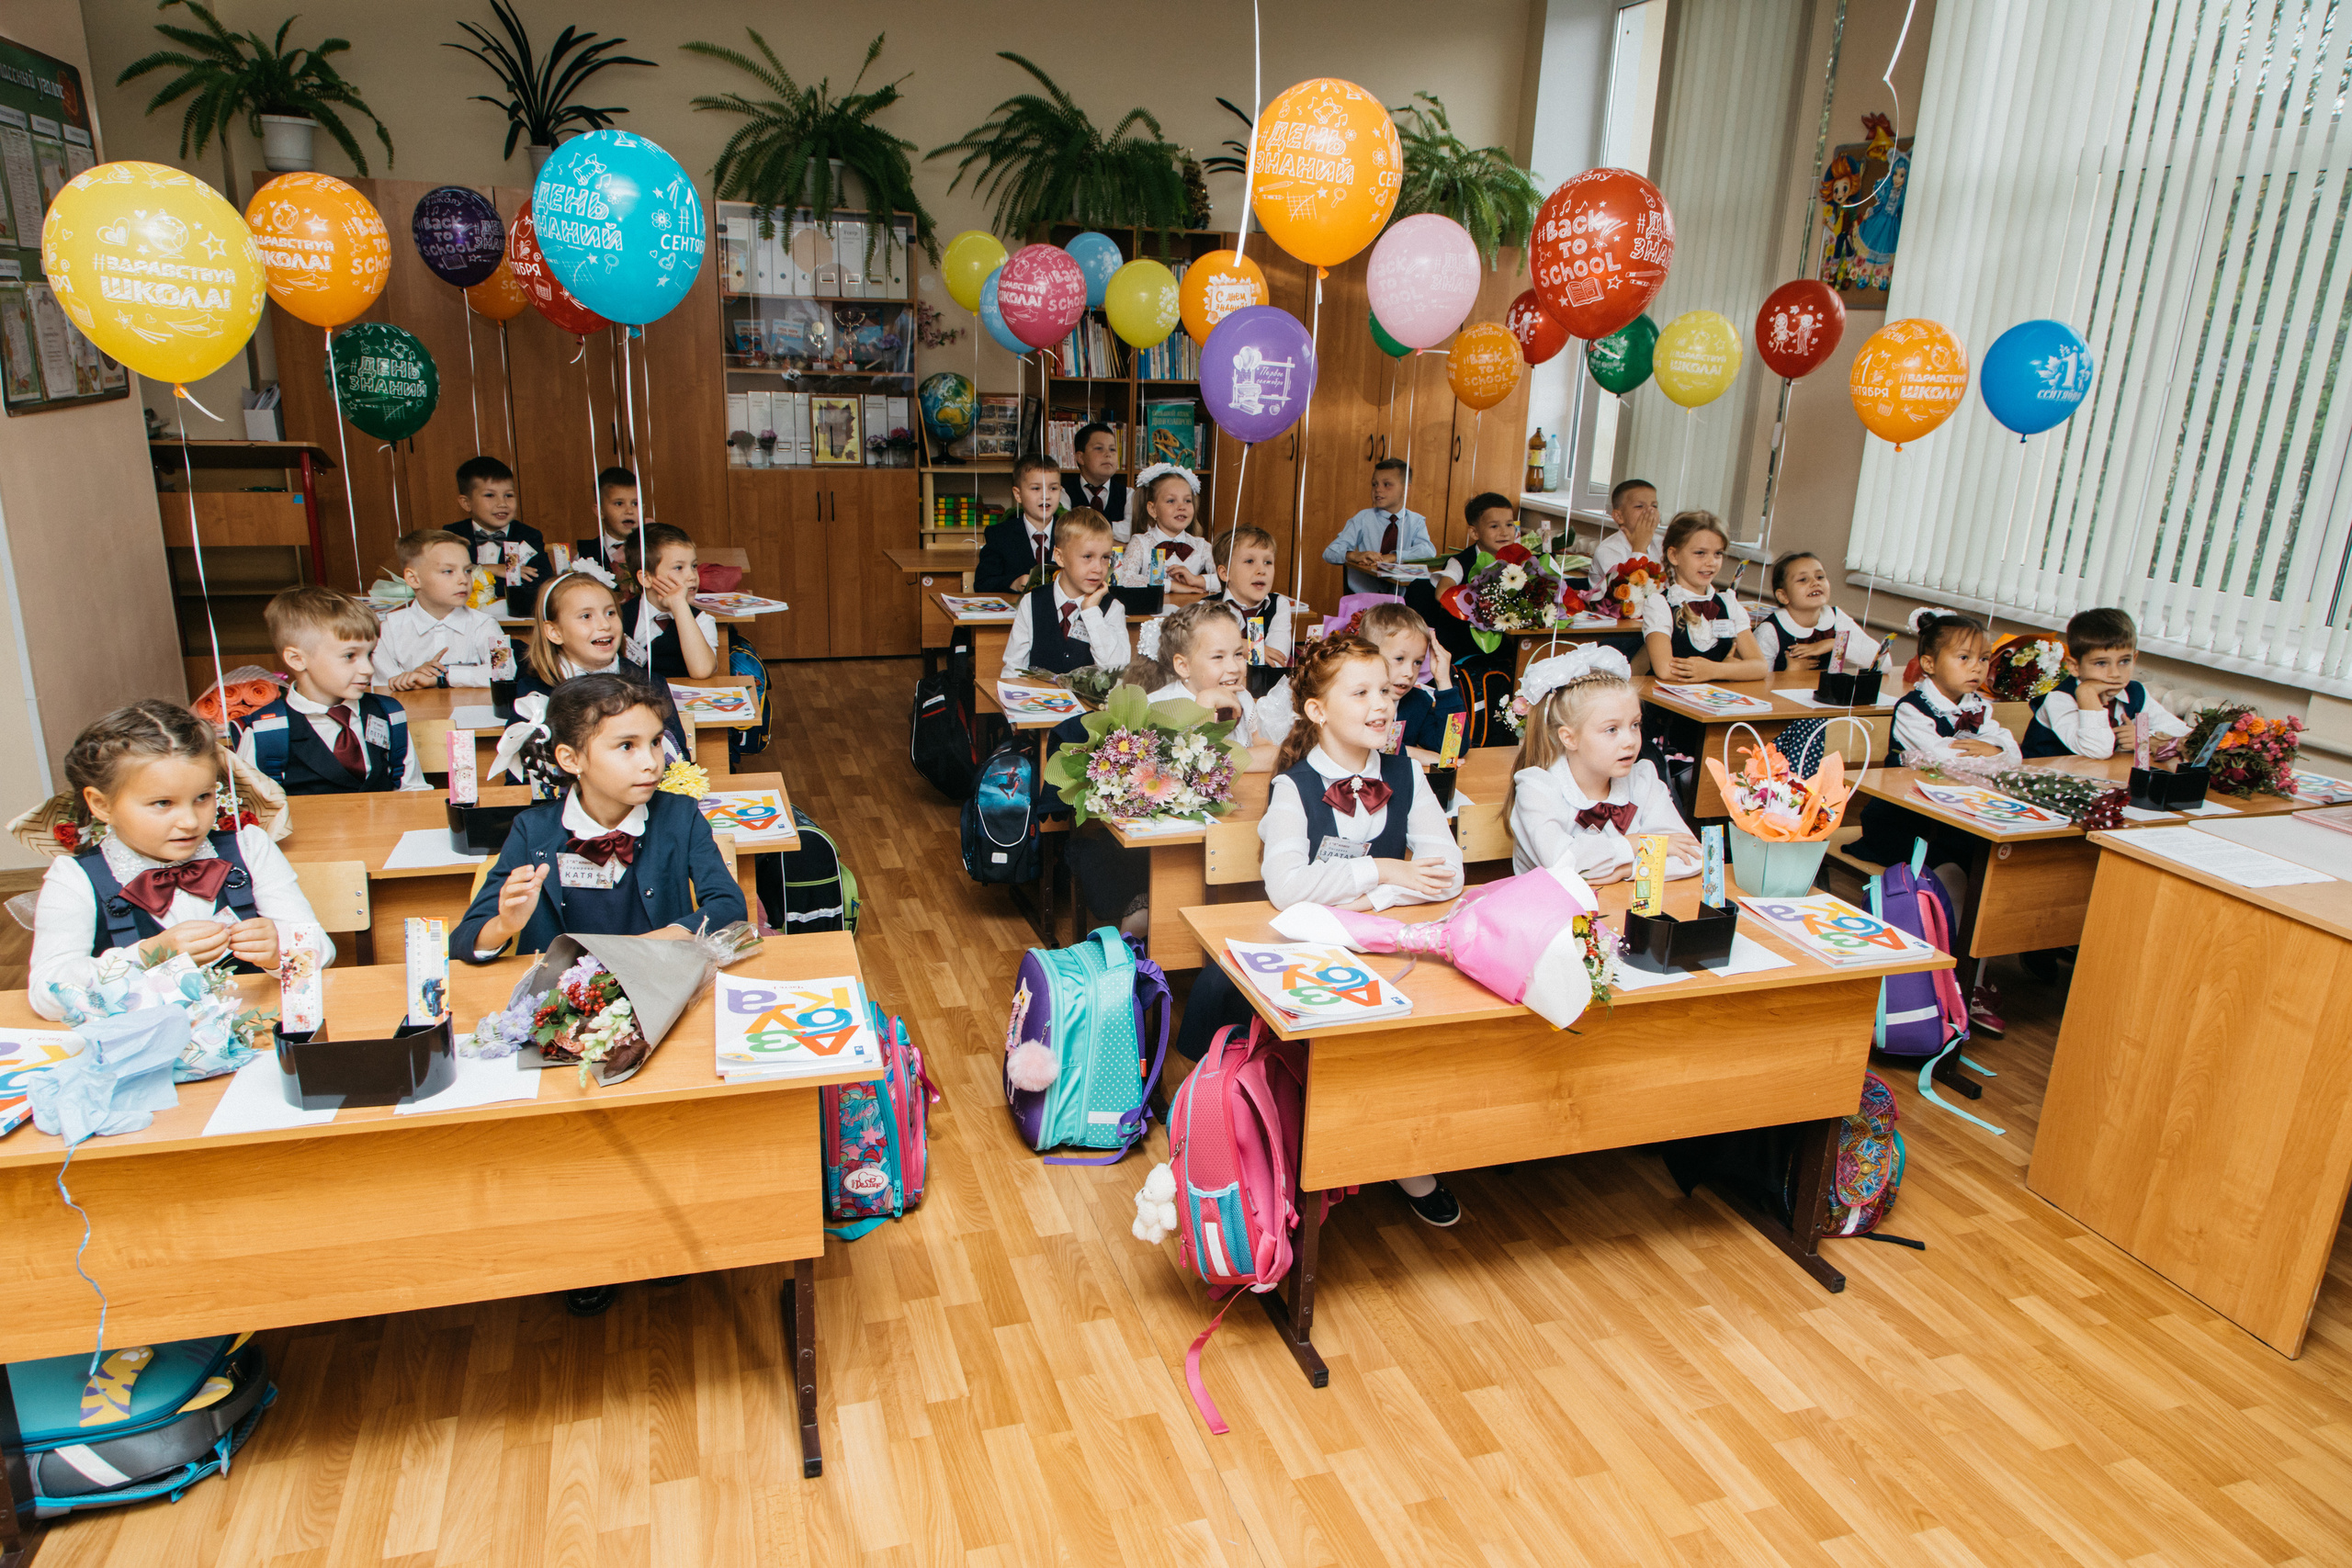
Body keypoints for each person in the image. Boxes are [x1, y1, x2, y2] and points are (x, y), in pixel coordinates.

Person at [450, 672, 745, 1319]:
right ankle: (586, 1251)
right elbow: (466, 940)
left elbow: (727, 906)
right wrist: (504, 921)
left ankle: (662, 1239)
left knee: (664, 1122)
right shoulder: (533, 829)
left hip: (659, 1006)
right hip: (568, 1016)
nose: (651, 760)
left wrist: (650, 944)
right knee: (573, 1143)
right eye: (626, 746)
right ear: (570, 758)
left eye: (656, 742)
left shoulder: (677, 816)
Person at [1170, 635, 1465, 1226]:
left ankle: (1398, 1150)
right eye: (1361, 693)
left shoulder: (1407, 774)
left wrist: (1365, 898)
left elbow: (1449, 873)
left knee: (1424, 1027)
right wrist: (1385, 870)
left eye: (1385, 691)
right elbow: (1287, 888)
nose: (1381, 704)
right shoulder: (1294, 786)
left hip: (1381, 943)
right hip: (1302, 953)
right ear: (1317, 710)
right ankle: (1290, 1156)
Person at [29, 699, 331, 1018]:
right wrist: (147, 954)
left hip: (262, 1030)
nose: (190, 821)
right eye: (163, 803)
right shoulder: (74, 878)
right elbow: (46, 994)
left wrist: (280, 951)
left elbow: (321, 952)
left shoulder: (250, 847)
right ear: (102, 805)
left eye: (202, 797)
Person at [1852, 609, 2019, 1034]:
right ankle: (1943, 982)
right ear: (1929, 663)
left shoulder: (1979, 707)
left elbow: (2012, 753)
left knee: (1990, 871)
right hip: (1902, 823)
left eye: (1983, 659)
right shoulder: (1913, 708)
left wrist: (1990, 750)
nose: (1977, 668)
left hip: (1957, 817)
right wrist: (1989, 751)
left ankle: (1968, 978)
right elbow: (1946, 762)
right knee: (1957, 873)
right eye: (1964, 658)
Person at [1075, 602, 1283, 938]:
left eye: (1238, 654)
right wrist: (1202, 714)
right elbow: (1172, 775)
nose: (1233, 667)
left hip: (1231, 823)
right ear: (1183, 666)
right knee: (1158, 911)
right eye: (1218, 657)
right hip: (1171, 839)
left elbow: (1272, 753)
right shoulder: (1158, 706)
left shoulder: (1242, 698)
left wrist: (1221, 760)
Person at [1505, 648, 1698, 881]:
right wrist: (1635, 843)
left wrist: (1627, 870)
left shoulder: (1642, 780)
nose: (1630, 741)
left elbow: (1693, 855)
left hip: (1623, 901)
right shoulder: (1537, 788)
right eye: (1612, 729)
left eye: (1635, 725)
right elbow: (1564, 864)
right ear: (1569, 738)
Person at [238, 586, 425, 795]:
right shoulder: (266, 731)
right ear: (297, 659)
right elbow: (253, 809)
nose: (368, 669)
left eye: (369, 654)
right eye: (349, 656)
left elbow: (413, 791)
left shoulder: (389, 714)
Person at [514, 566, 687, 756]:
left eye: (610, 613)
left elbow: (680, 759)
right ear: (554, 632)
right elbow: (521, 766)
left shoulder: (649, 683)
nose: (604, 625)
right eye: (586, 616)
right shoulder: (534, 691)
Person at [2021, 607, 2188, 759]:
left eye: (2124, 661)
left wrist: (2144, 738)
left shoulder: (2135, 693)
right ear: (2074, 667)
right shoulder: (2060, 699)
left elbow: (2185, 735)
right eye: (2101, 663)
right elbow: (2098, 750)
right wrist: (2086, 693)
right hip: (2039, 777)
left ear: (2134, 659)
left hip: (2096, 776)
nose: (2115, 673)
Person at [373, 527, 509, 691]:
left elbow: (505, 671)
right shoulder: (388, 630)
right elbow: (383, 687)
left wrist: (444, 676)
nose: (463, 580)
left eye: (467, 570)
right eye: (448, 571)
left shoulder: (484, 624)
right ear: (413, 579)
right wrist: (411, 679)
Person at [1001, 509, 1129, 676]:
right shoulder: (1031, 602)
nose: (1098, 568)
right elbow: (1013, 670)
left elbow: (1116, 671)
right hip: (1037, 693)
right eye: (1087, 556)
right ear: (1060, 557)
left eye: (1105, 557)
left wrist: (1091, 612)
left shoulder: (1113, 608)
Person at [1355, 602, 1463, 760]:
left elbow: (1453, 748)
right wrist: (1413, 753)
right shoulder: (1355, 699)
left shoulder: (1418, 702)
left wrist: (1444, 681)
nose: (1409, 673)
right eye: (1399, 659)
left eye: (1417, 662)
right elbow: (1358, 749)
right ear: (1368, 655)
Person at [447, 456, 545, 619]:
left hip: (511, 619)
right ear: (466, 503)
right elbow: (445, 578)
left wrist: (471, 571)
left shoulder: (528, 537)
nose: (502, 503)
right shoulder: (452, 535)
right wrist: (493, 569)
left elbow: (539, 584)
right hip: (460, 618)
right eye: (490, 495)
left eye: (509, 495)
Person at [617, 523, 719, 680]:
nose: (692, 576)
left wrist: (679, 605)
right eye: (679, 568)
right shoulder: (620, 617)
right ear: (646, 578)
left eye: (694, 566)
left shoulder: (701, 620)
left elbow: (702, 671)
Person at [1752, 551, 1881, 674]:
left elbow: (1882, 662)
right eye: (1803, 579)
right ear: (1783, 596)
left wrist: (1834, 644)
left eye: (1820, 577)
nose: (1815, 583)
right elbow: (1758, 685)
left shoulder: (1837, 618)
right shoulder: (1769, 631)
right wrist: (1791, 672)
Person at [1323, 457, 1431, 596]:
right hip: (1364, 598)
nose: (1378, 490)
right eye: (1374, 484)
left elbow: (1427, 551)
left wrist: (1393, 557)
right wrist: (1353, 555)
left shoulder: (1416, 521)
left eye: (1386, 484)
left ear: (1405, 489)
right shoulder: (1363, 518)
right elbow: (1329, 552)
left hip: (1402, 598)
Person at [1212, 525, 1306, 675]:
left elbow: (1276, 660)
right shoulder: (1207, 607)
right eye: (1250, 561)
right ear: (1224, 573)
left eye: (1268, 562)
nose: (1262, 570)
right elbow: (1201, 651)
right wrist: (1242, 646)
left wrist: (1230, 648)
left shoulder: (1279, 605)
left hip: (1265, 684)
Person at [1114, 465, 1217, 594]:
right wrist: (1171, 585)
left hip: (1190, 606)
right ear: (1153, 509)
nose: (1181, 506)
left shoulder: (1202, 547)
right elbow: (1124, 578)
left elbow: (1228, 578)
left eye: (1187, 500)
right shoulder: (1140, 543)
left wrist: (1196, 580)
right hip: (1152, 607)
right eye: (1171, 501)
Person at [974, 454, 1064, 593]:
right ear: (1018, 495)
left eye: (1053, 488)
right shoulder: (1000, 535)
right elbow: (983, 583)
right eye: (1036, 488)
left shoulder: (1071, 533)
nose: (1046, 496)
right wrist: (1013, 583)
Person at [1587, 478, 1662, 589]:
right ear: (1619, 516)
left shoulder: (1662, 544)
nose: (1650, 511)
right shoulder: (1607, 551)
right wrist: (1640, 547)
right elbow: (1631, 592)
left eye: (1654, 506)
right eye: (1640, 506)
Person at [1064, 422, 1129, 538]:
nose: (1108, 454)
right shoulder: (1063, 492)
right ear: (1080, 457)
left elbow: (1132, 530)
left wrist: (1087, 527)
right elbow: (1068, 533)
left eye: (1112, 449)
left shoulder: (1128, 494)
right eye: (1099, 448)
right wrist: (1116, 538)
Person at [573, 467, 640, 570]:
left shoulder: (656, 549)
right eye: (619, 504)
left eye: (635, 504)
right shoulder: (584, 556)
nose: (629, 511)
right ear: (600, 511)